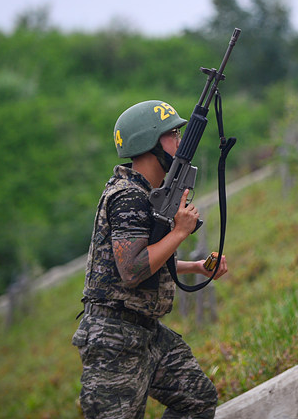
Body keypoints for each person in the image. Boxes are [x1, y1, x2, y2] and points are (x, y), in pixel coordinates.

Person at [72, 99, 229, 418]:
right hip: (114, 339)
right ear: (148, 143)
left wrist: (196, 267)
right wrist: (179, 233)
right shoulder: (127, 196)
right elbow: (131, 271)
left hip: (145, 332)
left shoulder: (147, 193)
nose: (181, 142)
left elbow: (147, 262)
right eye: (174, 134)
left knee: (197, 400)